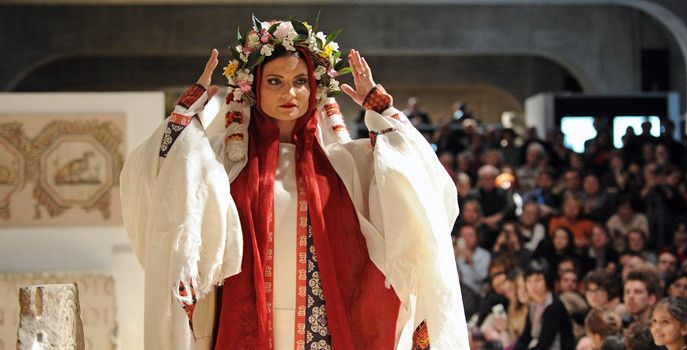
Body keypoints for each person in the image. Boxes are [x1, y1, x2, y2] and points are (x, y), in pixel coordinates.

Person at [120, 18, 467, 349]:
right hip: (242, 325)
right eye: (275, 81)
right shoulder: (224, 161)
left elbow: (421, 189)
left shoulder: (346, 164)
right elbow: (158, 186)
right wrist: (183, 116)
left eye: (300, 81)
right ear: (253, 86)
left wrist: (384, 113)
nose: (290, 91)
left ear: (314, 86)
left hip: (327, 328)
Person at [514, 258, 575, 350]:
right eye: (529, 280)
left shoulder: (554, 305)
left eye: (538, 280)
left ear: (547, 280)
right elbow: (525, 338)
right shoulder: (533, 305)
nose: (533, 285)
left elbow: (545, 344)